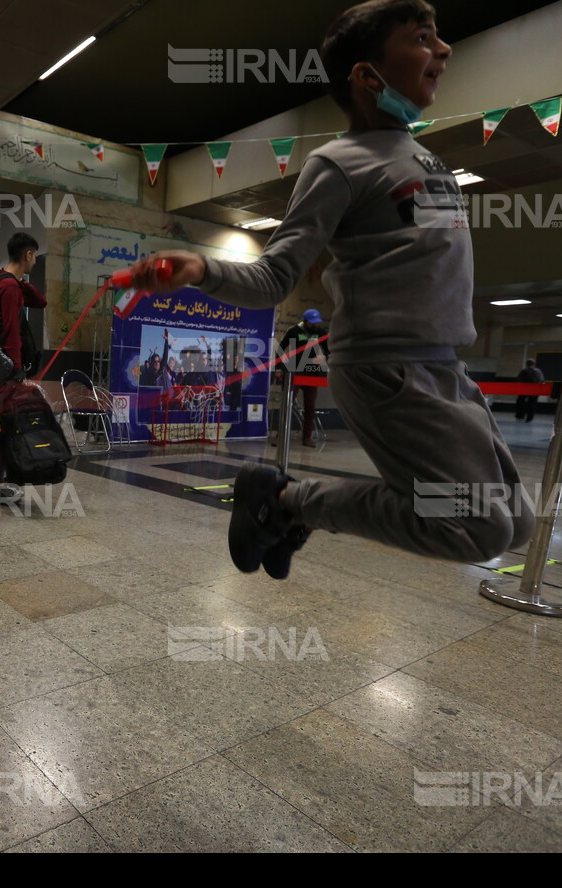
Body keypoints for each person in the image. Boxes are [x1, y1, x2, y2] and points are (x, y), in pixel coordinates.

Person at [130, 0, 533, 580]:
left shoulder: (429, 160)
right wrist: (201, 269)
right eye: (422, 38)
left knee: (514, 518)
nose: (443, 50)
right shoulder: (339, 163)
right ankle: (289, 503)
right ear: (369, 77)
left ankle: (285, 505)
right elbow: (274, 277)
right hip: (387, 369)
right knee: (480, 527)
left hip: (444, 365)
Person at [0, 232, 47, 503]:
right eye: (34, 256)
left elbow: (40, 302)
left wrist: (21, 281)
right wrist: (17, 372)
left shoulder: (9, 283)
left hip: (3, 367)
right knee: (7, 426)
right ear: (28, 254)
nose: (34, 261)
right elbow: (11, 331)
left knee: (6, 425)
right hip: (8, 370)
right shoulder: (7, 287)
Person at [278, 309, 331, 446]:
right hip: (294, 371)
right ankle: (280, 436)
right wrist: (278, 368)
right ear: (305, 321)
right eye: (312, 323)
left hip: (311, 372)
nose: (315, 325)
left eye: (316, 322)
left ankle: (307, 437)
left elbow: (329, 350)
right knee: (287, 405)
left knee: (310, 407)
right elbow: (280, 349)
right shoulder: (293, 331)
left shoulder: (320, 332)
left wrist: (324, 358)